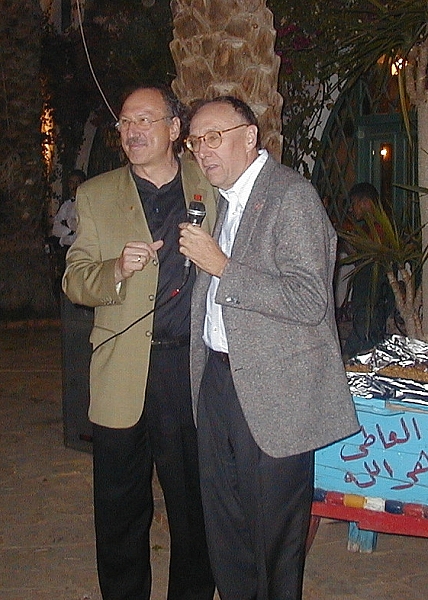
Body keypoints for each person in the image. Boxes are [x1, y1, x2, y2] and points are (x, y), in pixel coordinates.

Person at [178, 96, 359, 600]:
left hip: (274, 391)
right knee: (226, 530)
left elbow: (309, 300)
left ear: (250, 136)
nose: (202, 150)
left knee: (272, 540)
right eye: (195, 142)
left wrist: (222, 266)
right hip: (218, 380)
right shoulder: (224, 202)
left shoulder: (291, 196)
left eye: (213, 137)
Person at [63, 85, 216, 600]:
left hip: (187, 369)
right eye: (126, 122)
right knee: (119, 510)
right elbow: (75, 279)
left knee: (193, 508)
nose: (132, 131)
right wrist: (115, 270)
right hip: (122, 371)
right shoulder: (97, 194)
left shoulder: (210, 184)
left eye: (145, 120)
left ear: (174, 129)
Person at [341, 182, 395, 359]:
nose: (351, 209)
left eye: (354, 203)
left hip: (372, 296)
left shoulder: (379, 228)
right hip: (367, 297)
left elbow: (368, 257)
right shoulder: (367, 228)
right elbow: (359, 258)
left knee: (365, 340)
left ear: (365, 202)